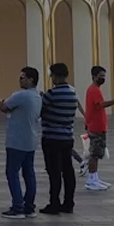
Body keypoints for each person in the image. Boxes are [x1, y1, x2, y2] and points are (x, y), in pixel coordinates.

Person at [0, 66, 42, 218]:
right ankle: (29, 206)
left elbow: (4, 107)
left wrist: (1, 103)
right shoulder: (37, 96)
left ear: (31, 79)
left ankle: (17, 207)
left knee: (12, 173)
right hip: (30, 140)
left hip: (17, 140)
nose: (20, 79)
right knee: (29, 173)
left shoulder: (21, 95)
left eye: (23, 77)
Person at [39, 63, 78, 215]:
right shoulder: (72, 93)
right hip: (67, 137)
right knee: (68, 171)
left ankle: (54, 202)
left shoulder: (51, 94)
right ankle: (69, 202)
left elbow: (41, 111)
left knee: (54, 172)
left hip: (52, 137)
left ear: (55, 76)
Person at [83, 65, 114, 191]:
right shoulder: (94, 90)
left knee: (97, 154)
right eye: (100, 76)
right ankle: (91, 180)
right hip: (96, 126)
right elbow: (101, 105)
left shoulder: (95, 89)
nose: (103, 79)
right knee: (95, 154)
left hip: (98, 125)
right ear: (93, 77)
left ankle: (95, 177)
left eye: (104, 76)